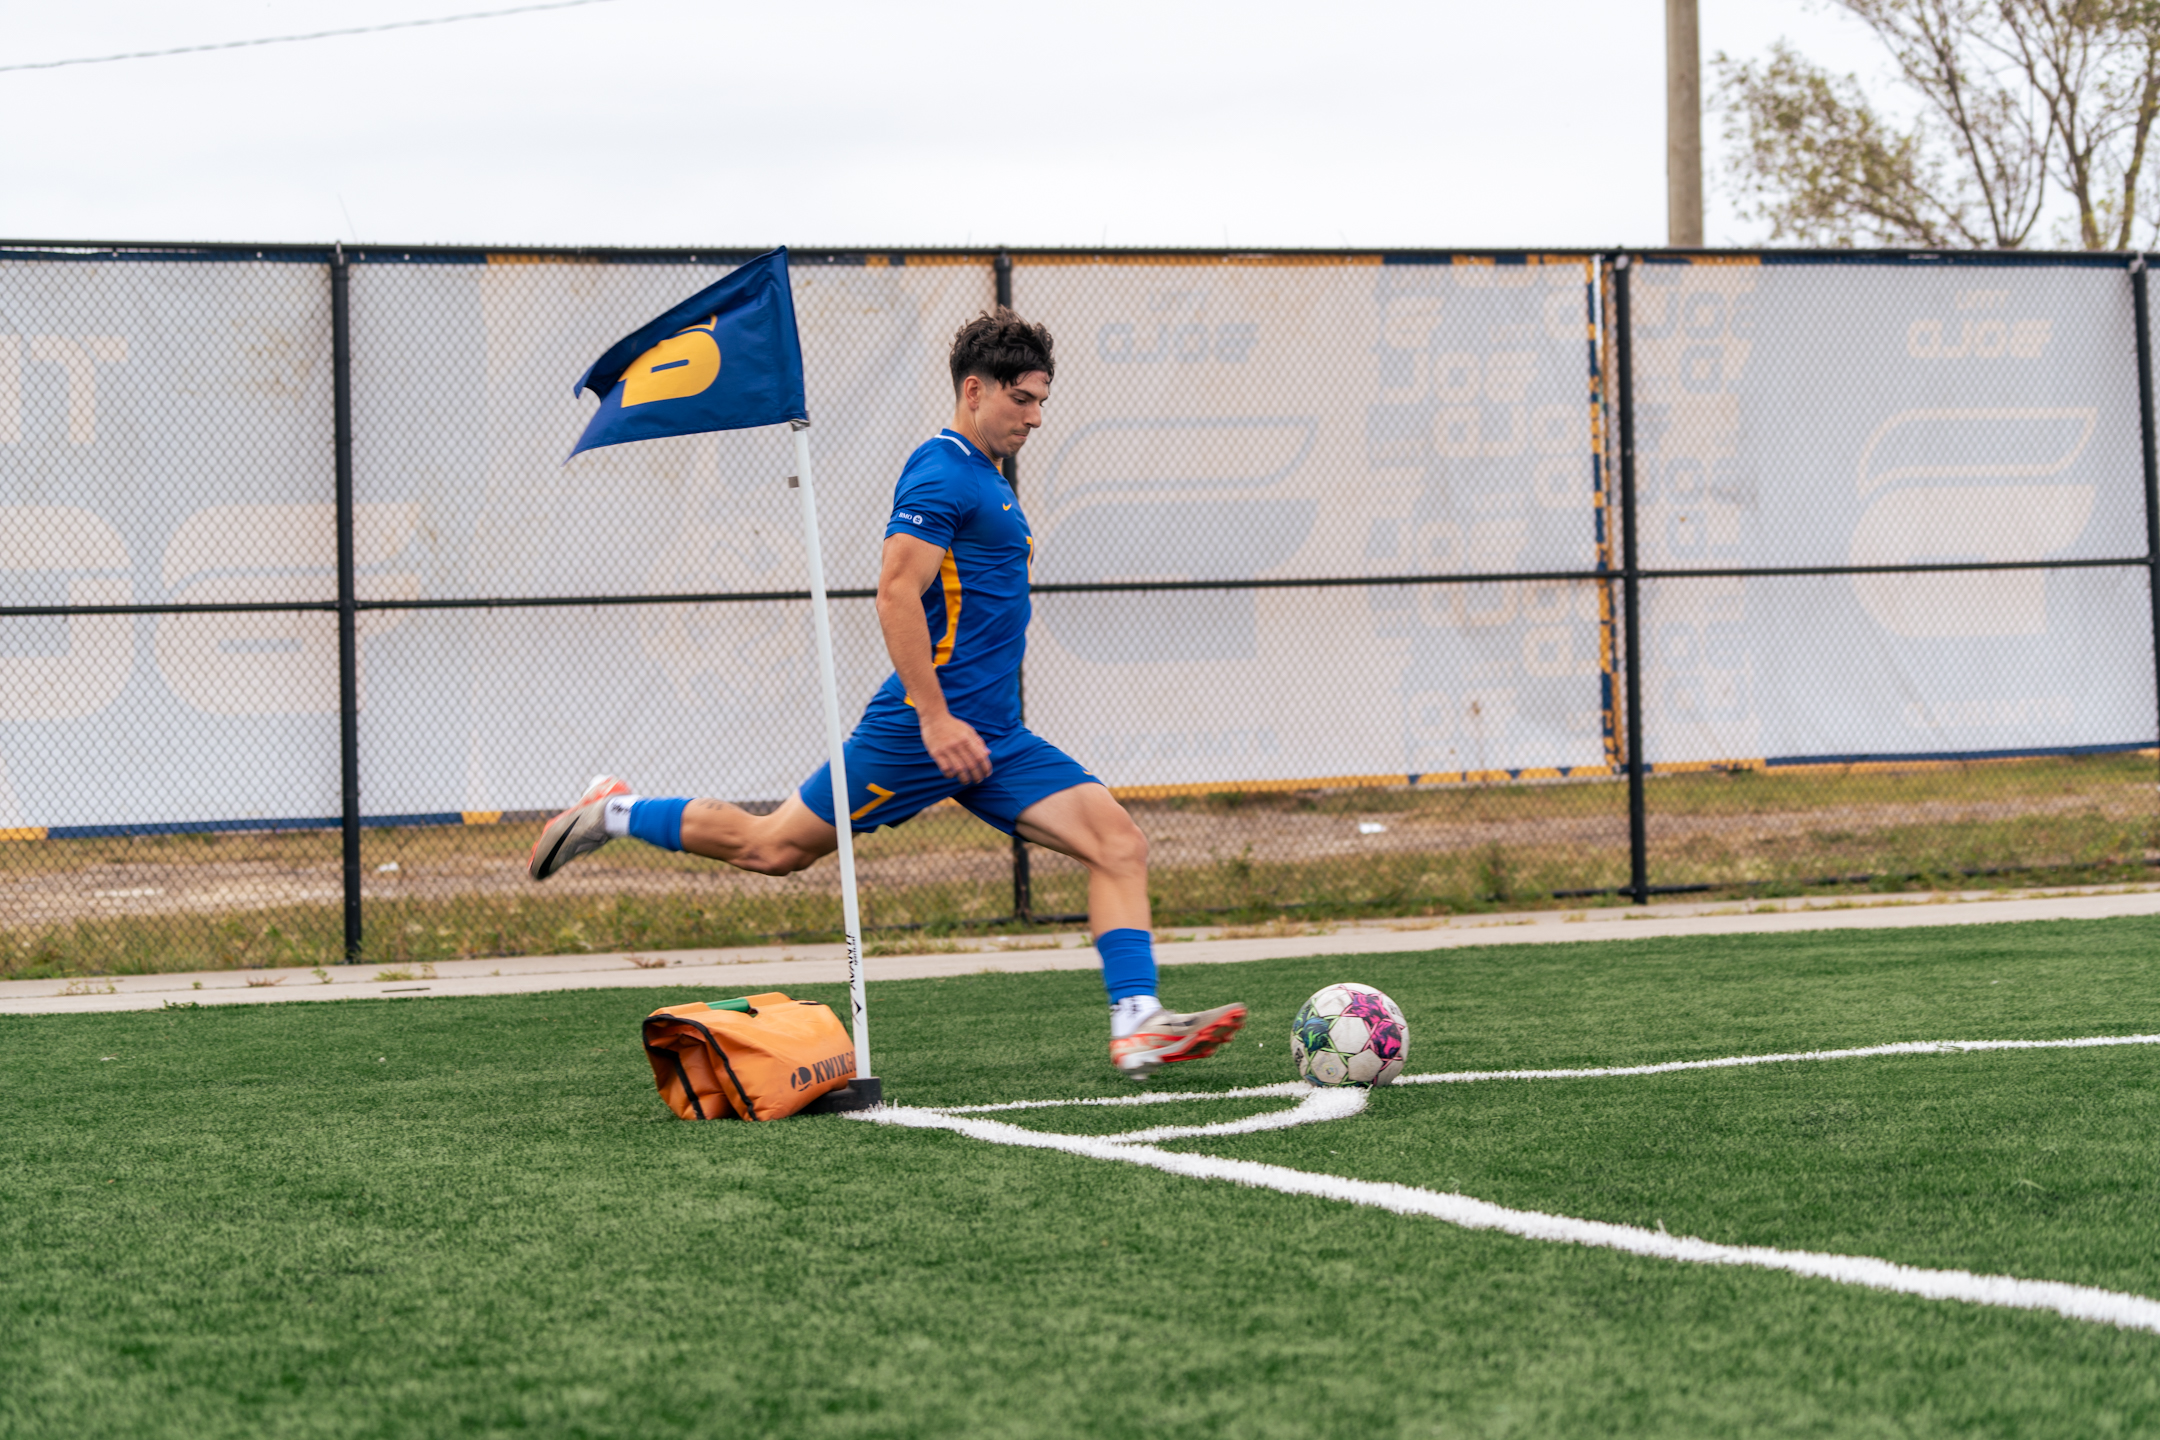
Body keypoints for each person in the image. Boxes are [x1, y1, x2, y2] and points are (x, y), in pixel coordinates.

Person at [528, 308, 1246, 1079]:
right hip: (917, 730)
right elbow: (895, 592)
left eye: (1042, 401)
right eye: (1023, 400)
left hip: (993, 737)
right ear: (975, 391)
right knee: (772, 848)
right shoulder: (939, 470)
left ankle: (1137, 1023)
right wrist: (934, 718)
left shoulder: (988, 481)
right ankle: (611, 808)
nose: (1037, 417)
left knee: (1118, 844)